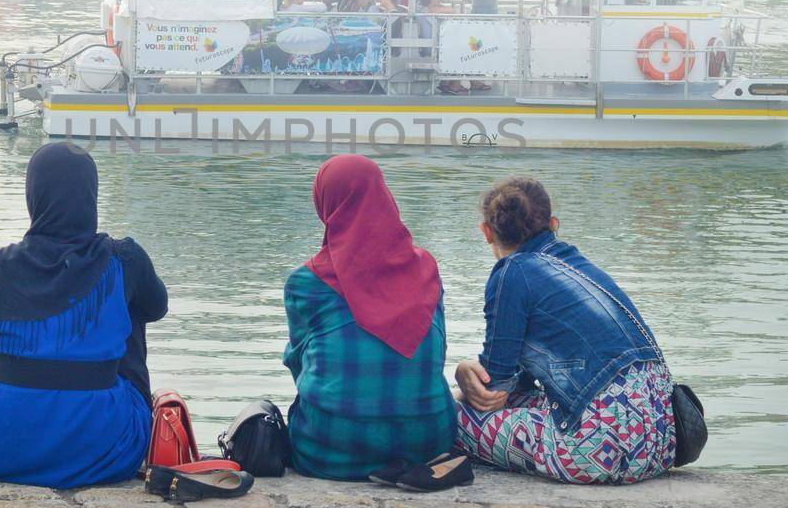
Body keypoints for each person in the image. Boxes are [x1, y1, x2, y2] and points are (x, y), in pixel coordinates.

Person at [0, 143, 168, 488]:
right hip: (104, 449)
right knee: (128, 308)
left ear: (33, 195)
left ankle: (27, 418)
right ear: (91, 194)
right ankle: (93, 410)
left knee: (4, 356)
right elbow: (157, 307)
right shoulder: (125, 258)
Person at [454, 177, 676, 485]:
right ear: (553, 224)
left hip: (595, 452)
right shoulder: (577, 264)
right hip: (658, 443)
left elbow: (494, 391)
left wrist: (462, 373)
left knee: (441, 414)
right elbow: (519, 389)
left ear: (486, 231)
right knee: (510, 402)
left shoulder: (511, 273)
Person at [282, 155, 456, 482]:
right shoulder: (426, 269)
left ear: (325, 203)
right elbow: (437, 353)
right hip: (429, 445)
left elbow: (298, 364)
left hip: (329, 450)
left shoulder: (306, 283)